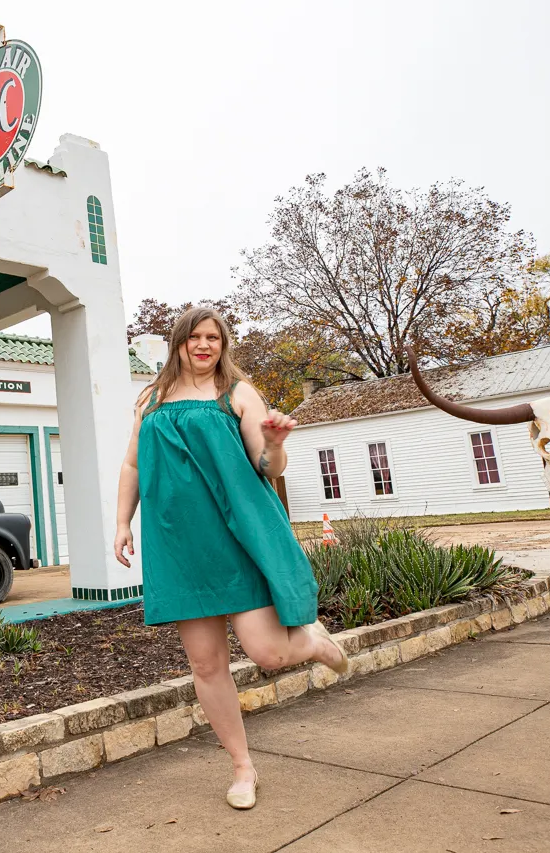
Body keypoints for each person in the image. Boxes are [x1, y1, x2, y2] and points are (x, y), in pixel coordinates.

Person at [114, 306, 347, 810]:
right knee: (206, 663)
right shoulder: (149, 399)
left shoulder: (236, 394)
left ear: (223, 345)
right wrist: (120, 523)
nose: (203, 345)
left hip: (236, 541)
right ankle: (242, 767)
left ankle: (310, 642)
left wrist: (277, 443)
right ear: (178, 343)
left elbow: (266, 464)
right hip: (177, 545)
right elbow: (132, 463)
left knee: (269, 654)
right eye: (194, 337)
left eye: (213, 338)